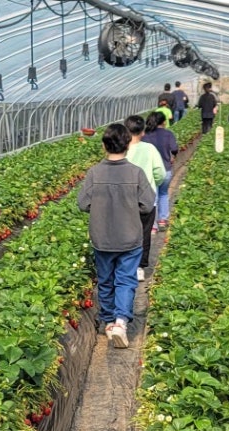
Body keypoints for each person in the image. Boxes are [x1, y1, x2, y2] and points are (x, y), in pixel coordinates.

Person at [77, 123, 155, 349]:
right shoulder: (135, 173)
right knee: (126, 279)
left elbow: (83, 204)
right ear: (128, 144)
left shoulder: (94, 173)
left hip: (102, 238)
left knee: (106, 280)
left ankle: (109, 321)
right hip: (130, 237)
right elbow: (147, 204)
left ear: (104, 145)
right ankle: (121, 321)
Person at [124, 115, 166, 282]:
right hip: (146, 199)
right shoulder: (149, 149)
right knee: (144, 232)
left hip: (125, 198)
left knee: (126, 231)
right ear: (142, 131)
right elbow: (160, 172)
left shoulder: (122, 149)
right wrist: (152, 184)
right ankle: (140, 267)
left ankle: (125, 264)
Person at [142, 111, 178, 231]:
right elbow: (174, 148)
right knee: (163, 194)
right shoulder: (168, 134)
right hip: (165, 169)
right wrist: (172, 157)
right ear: (163, 122)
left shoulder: (145, 136)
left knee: (153, 197)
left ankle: (153, 226)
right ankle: (162, 220)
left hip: (150, 170)